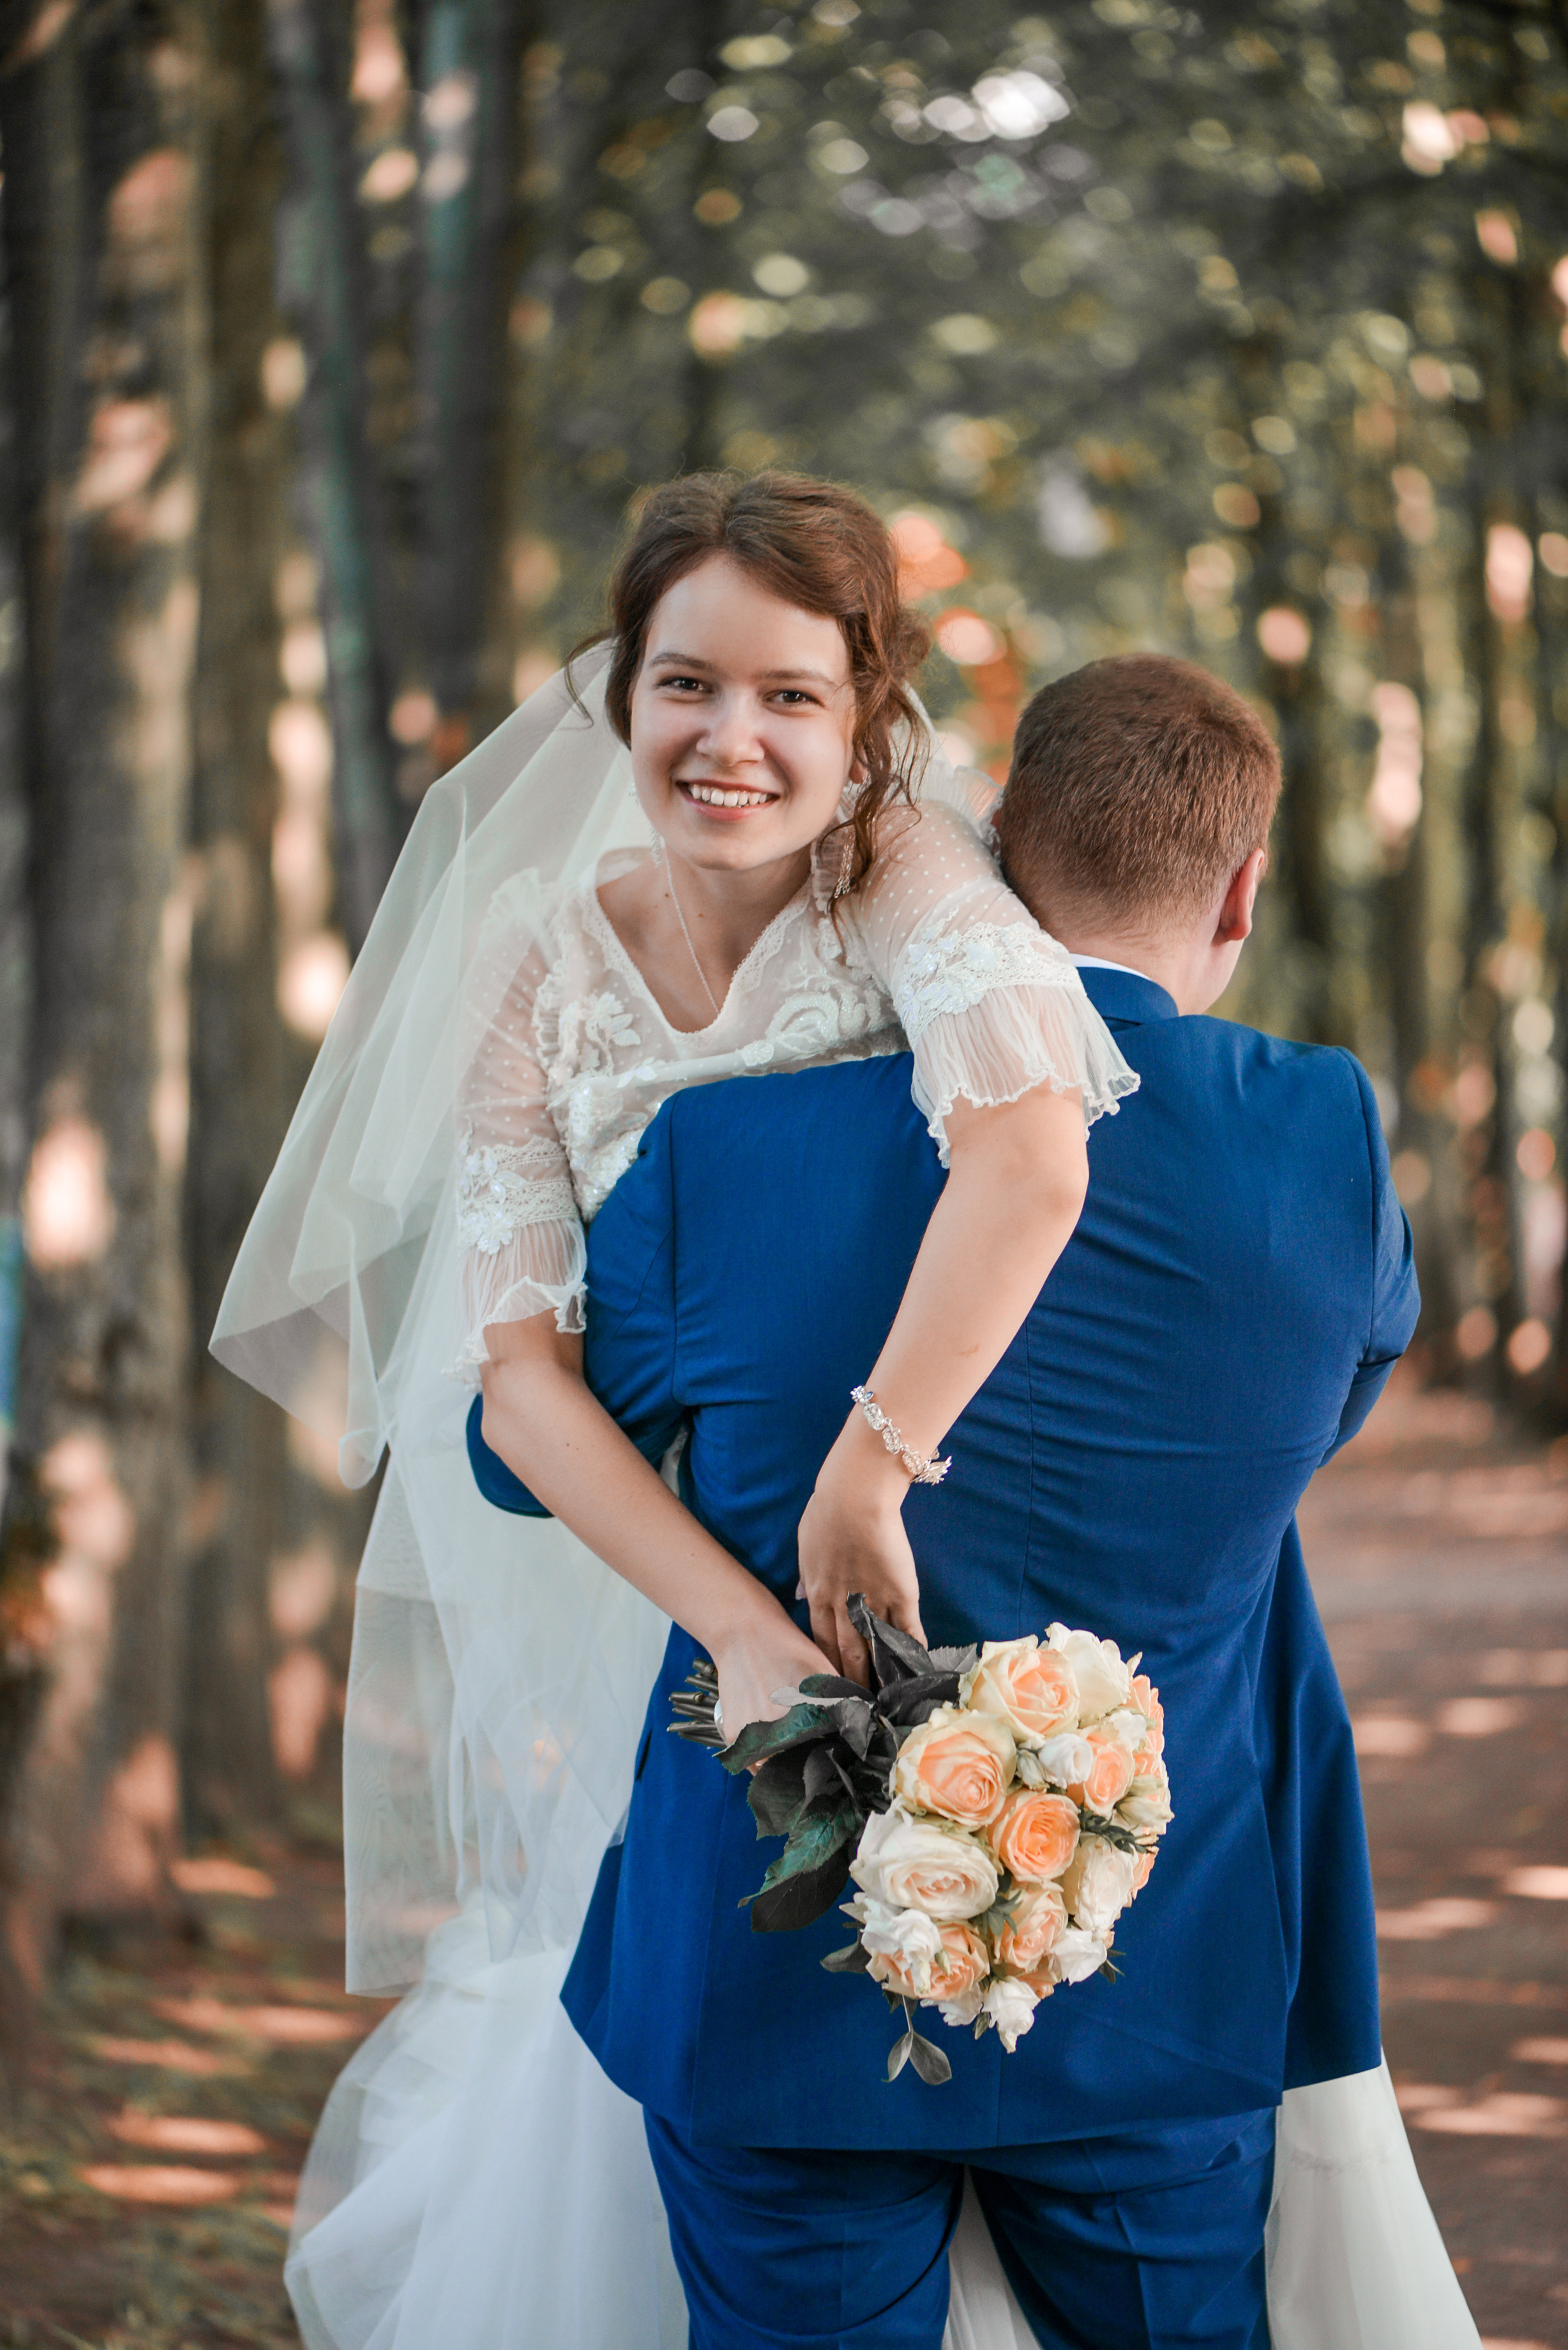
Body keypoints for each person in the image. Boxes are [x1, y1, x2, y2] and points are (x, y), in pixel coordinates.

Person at [211, 472, 1133, 2349]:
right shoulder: (535, 965)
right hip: (665, 1571)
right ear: (618, 695)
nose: (732, 741)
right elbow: (523, 1383)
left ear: (867, 719)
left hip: (925, 1536)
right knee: (680, 1994)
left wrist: (871, 1472)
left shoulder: (906, 880)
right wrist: (733, 1626)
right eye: (686, 685)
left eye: (793, 696)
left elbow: (1034, 1159)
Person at [473, 653, 1482, 2349]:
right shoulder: (1318, 1135)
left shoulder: (728, 1148)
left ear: (994, 847)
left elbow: (520, 1454)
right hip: (1153, 1954)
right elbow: (1331, 1401)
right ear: (1243, 891)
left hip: (773, 1962)